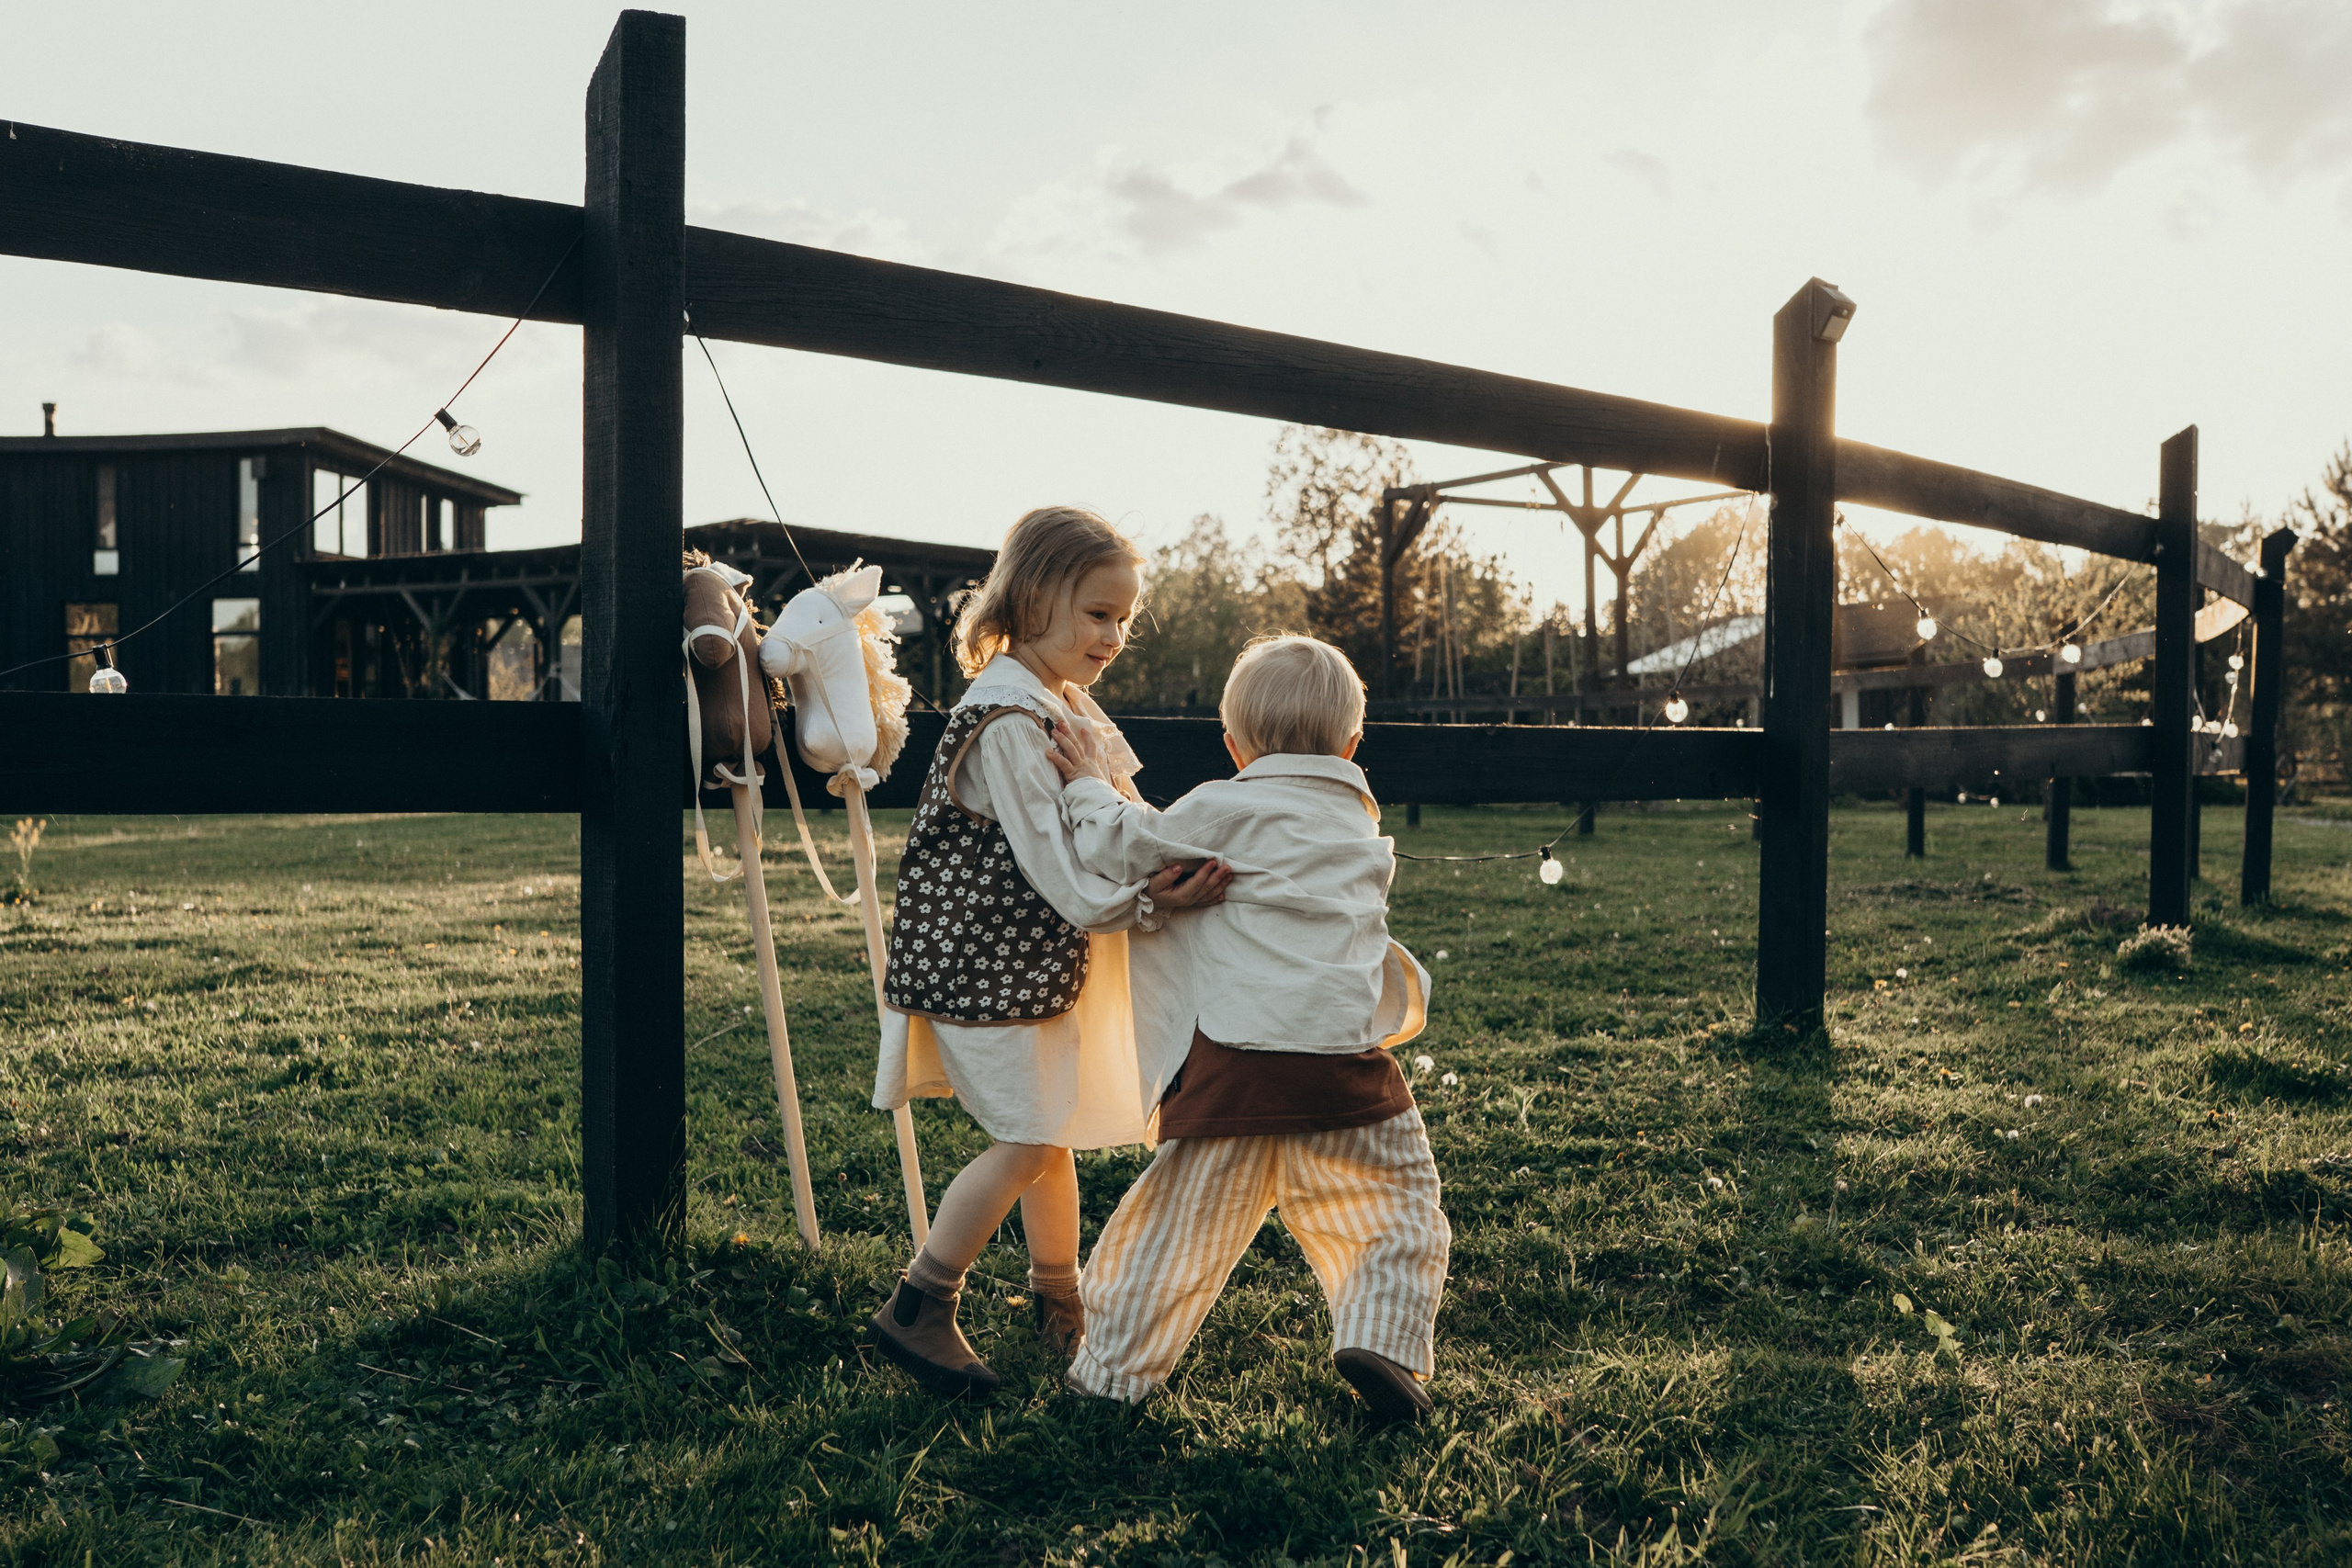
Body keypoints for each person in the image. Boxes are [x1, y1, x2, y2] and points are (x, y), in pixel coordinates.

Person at [866, 505, 1231, 1397]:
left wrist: (1171, 854)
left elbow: (1120, 813)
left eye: (1124, 618)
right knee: (1030, 1134)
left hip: (1032, 967)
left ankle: (1057, 1296)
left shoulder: (1061, 702)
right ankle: (921, 1303)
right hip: (982, 965)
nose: (1115, 636)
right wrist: (1148, 904)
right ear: (1032, 598)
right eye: (1098, 614)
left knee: (1050, 1126)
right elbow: (1059, 873)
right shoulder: (1006, 722)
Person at [1046, 635, 1450, 1422]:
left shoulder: (1221, 806)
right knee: (1400, 1206)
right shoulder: (1358, 826)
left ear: (1232, 747)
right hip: (1346, 1069)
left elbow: (1126, 842)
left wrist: (1091, 785)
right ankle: (1383, 1340)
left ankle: (1110, 1373)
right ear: (1353, 745)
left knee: (1177, 1227)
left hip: (1233, 1065)